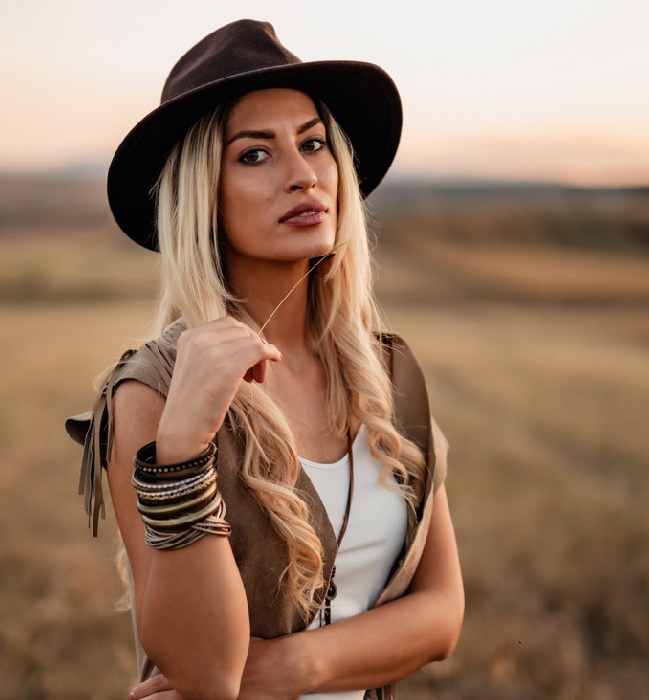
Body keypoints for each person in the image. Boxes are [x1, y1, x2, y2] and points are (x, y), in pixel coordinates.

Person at [66, 19, 463, 700]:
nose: (304, 174)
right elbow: (209, 673)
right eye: (255, 155)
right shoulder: (151, 392)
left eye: (313, 144)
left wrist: (291, 667)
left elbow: (442, 616)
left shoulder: (389, 374)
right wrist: (184, 447)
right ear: (202, 198)